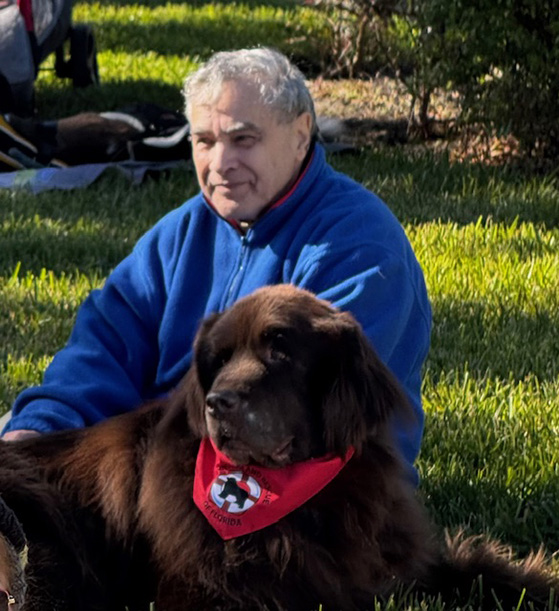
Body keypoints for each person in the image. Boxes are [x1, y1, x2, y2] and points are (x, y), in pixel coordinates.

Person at [1, 47, 432, 484]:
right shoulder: (179, 234)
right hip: (155, 466)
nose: (220, 164)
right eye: (204, 141)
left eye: (243, 139)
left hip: (306, 502)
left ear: (302, 134)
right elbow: (104, 346)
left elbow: (313, 423)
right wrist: (40, 428)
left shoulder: (359, 246)